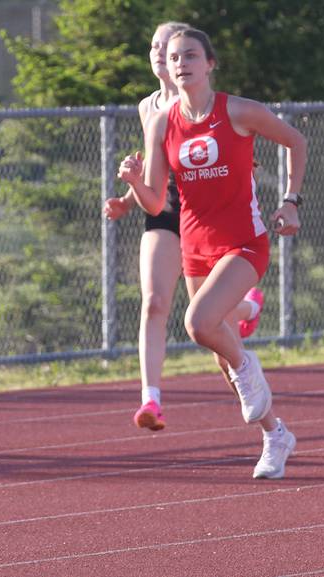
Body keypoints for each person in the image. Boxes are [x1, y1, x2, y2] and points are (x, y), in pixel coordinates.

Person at [118, 27, 306, 479]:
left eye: (191, 56)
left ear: (209, 64)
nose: (181, 63)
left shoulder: (238, 111)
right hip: (195, 247)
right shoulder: (162, 121)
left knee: (199, 323)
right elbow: (158, 203)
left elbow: (296, 141)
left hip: (244, 241)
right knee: (219, 350)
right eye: (175, 56)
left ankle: (249, 365)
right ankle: (274, 434)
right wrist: (133, 183)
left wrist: (290, 200)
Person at [104, 22, 266, 432]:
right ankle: (151, 399)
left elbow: (234, 142)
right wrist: (127, 198)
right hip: (165, 208)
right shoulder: (149, 108)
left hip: (210, 212)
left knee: (208, 318)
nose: (162, 54)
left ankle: (247, 307)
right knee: (155, 301)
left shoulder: (203, 96)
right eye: (155, 46)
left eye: (170, 47)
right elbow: (154, 168)